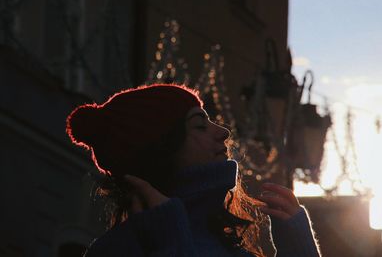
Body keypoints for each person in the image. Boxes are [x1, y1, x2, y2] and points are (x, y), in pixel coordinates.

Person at [66, 83, 321, 257]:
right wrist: (170, 244)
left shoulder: (225, 245)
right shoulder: (118, 249)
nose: (223, 132)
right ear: (161, 147)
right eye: (200, 125)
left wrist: (298, 252)